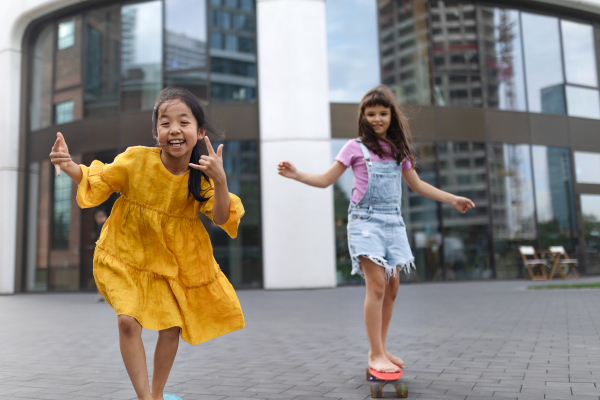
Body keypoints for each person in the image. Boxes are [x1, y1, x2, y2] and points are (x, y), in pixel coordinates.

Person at [49, 87, 245, 400]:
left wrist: (221, 181)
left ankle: (157, 393)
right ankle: (145, 398)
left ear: (200, 130)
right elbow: (98, 179)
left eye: (184, 121)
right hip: (126, 253)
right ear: (156, 132)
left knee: (170, 328)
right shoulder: (136, 161)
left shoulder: (203, 177)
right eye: (165, 123)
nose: (174, 130)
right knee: (128, 322)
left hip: (173, 262)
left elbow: (222, 217)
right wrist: (68, 162)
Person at [277, 85, 475, 374]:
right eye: (371, 114)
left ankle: (380, 349)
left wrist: (452, 199)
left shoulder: (398, 150)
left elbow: (417, 185)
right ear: (363, 116)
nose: (378, 119)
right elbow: (325, 180)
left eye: (383, 113)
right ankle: (374, 354)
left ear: (392, 116)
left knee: (393, 287)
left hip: (393, 222)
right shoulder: (353, 147)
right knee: (378, 285)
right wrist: (296, 174)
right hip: (365, 221)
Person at [93, 208, 108, 303]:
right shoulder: (111, 222)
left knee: (98, 273)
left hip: (103, 253)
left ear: (98, 218)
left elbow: (100, 239)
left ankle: (100, 296)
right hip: (112, 253)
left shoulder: (101, 225)